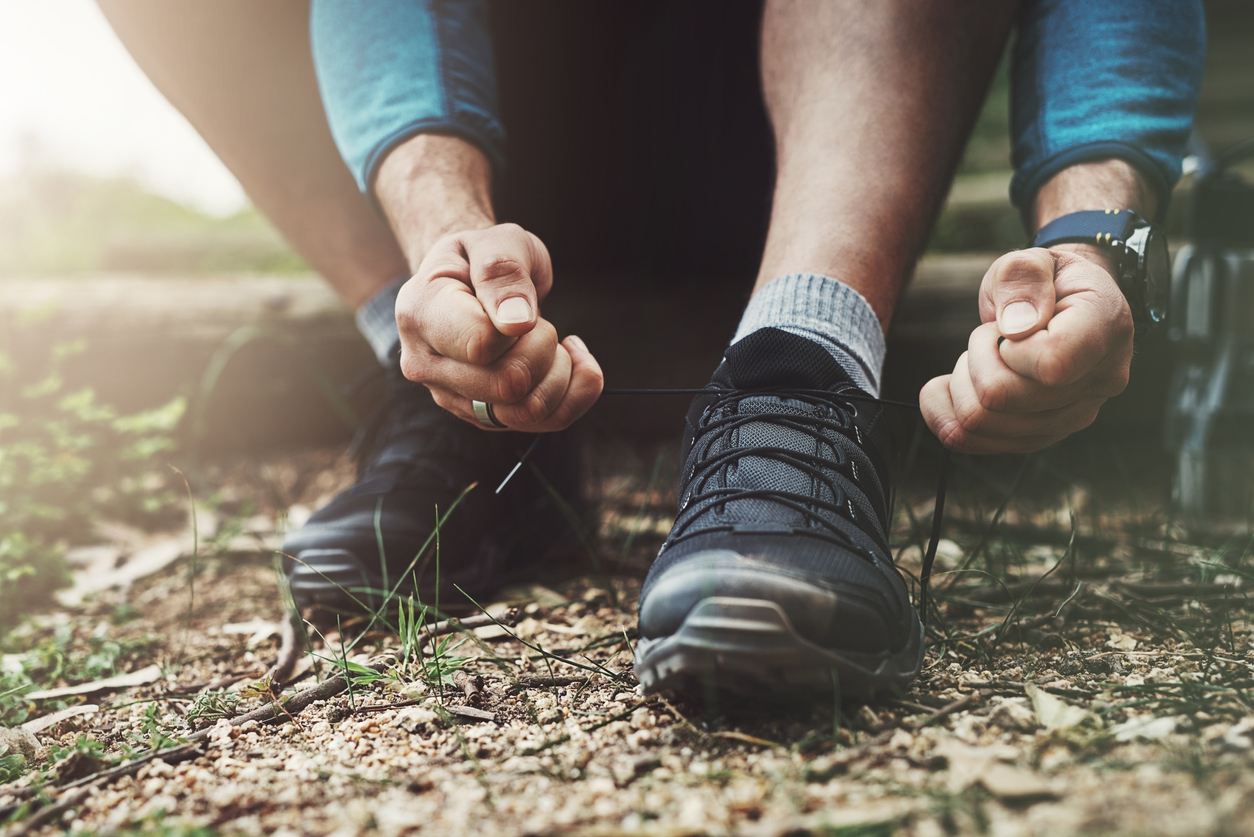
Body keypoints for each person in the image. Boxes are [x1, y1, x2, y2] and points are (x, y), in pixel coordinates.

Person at [99, 0, 1205, 699]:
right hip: (508, 133)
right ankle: (456, 376)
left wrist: (1090, 238)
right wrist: (444, 239)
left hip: (831, 123)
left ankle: (801, 365)